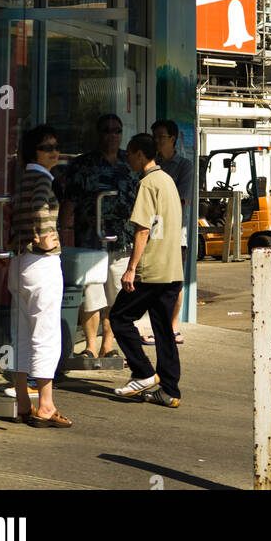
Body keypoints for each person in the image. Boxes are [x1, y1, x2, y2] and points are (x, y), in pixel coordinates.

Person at [110, 133, 183, 407]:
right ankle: (170, 390)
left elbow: (143, 229)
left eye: (129, 153)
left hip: (151, 269)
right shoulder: (167, 181)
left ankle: (142, 372)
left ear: (140, 154)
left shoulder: (148, 183)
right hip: (172, 268)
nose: (127, 158)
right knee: (164, 330)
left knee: (119, 317)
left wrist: (131, 268)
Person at [8, 125, 71, 427]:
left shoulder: (23, 178)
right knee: (46, 334)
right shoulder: (43, 178)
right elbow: (39, 206)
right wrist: (45, 236)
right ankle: (45, 405)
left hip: (18, 261)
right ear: (35, 152)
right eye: (47, 147)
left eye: (56, 146)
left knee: (21, 333)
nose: (54, 151)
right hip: (40, 262)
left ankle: (23, 403)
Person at [60, 114, 137, 359]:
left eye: (116, 130)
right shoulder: (83, 164)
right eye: (106, 130)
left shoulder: (130, 162)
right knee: (92, 295)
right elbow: (69, 203)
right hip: (90, 242)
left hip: (122, 240)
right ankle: (90, 346)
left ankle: (108, 345)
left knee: (117, 296)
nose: (112, 135)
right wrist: (63, 236)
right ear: (98, 133)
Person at [152, 119, 193, 344]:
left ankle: (173, 326)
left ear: (173, 139)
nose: (157, 141)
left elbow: (182, 199)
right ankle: (159, 326)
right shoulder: (152, 164)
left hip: (176, 234)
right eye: (155, 136)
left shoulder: (183, 166)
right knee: (156, 282)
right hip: (154, 233)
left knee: (175, 281)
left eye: (161, 136)